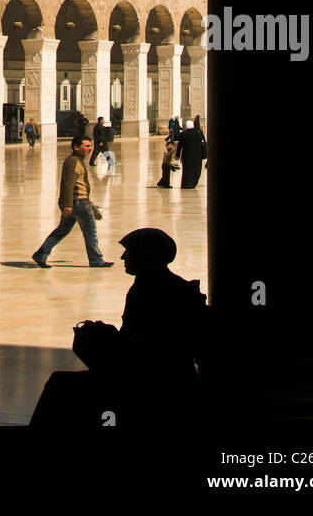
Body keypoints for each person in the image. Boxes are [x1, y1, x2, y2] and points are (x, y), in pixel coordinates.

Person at [29, 228, 213, 428]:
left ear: (145, 255)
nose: (123, 256)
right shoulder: (167, 284)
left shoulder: (147, 290)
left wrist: (103, 337)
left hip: (152, 385)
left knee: (60, 385)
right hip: (168, 378)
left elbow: (141, 350)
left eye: (130, 251)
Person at [32, 136, 112, 269]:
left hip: (78, 202)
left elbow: (78, 184)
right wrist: (68, 205)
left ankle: (41, 254)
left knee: (62, 230)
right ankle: (96, 260)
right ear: (76, 147)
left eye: (90, 146)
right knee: (90, 231)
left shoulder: (77, 161)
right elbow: (68, 185)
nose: (90, 149)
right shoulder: (73, 161)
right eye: (86, 146)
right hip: (78, 204)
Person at [175, 118, 206, 189]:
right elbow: (203, 143)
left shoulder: (183, 134)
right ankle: (194, 182)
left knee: (187, 170)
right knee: (196, 169)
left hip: (187, 155)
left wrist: (177, 155)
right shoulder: (198, 132)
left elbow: (180, 145)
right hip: (197, 155)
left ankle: (187, 184)